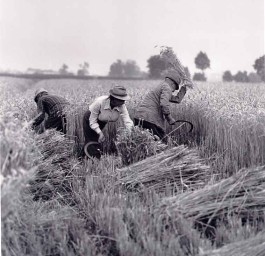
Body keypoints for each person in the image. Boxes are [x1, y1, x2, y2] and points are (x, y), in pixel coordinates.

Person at [134, 70, 188, 141]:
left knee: (140, 141)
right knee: (158, 142)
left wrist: (184, 89)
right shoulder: (167, 88)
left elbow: (176, 99)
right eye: (175, 87)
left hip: (139, 118)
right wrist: (169, 118)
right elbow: (164, 104)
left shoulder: (161, 86)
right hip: (149, 120)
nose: (174, 90)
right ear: (172, 83)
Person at [83, 85, 133, 159]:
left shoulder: (122, 105)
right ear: (113, 99)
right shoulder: (99, 102)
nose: (123, 102)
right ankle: (95, 160)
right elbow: (92, 121)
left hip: (102, 121)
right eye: (121, 100)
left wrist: (130, 133)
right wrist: (100, 133)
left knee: (96, 139)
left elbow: (127, 120)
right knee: (92, 139)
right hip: (90, 119)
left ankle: (83, 157)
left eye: (124, 100)